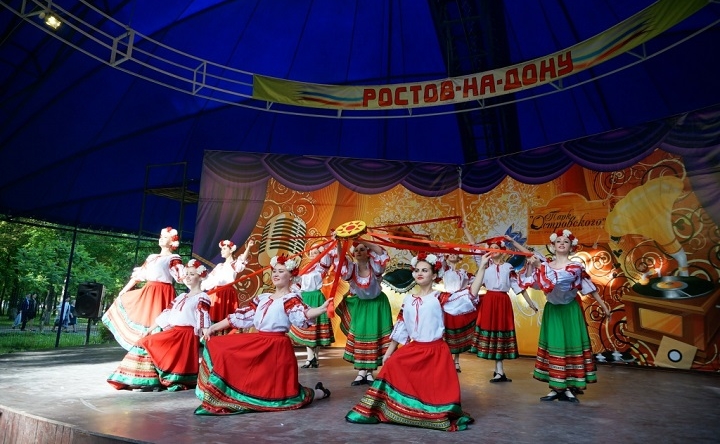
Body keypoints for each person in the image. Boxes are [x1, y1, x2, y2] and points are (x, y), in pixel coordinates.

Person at [345, 252, 484, 431]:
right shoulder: (408, 299)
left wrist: (482, 267)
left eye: (425, 270)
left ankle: (428, 413)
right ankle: (390, 410)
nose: (420, 273)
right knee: (391, 366)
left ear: (434, 275)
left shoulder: (440, 298)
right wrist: (389, 353)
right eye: (417, 270)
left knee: (433, 391)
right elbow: (401, 326)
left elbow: (469, 295)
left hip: (436, 351)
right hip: (415, 347)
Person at [194, 254, 331, 415]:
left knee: (282, 394)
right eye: (274, 271)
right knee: (222, 348)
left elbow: (304, 314)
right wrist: (213, 327)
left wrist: (321, 309)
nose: (276, 274)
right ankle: (231, 397)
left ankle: (319, 393)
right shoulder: (263, 298)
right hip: (259, 341)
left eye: (281, 271)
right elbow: (241, 317)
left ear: (291, 277)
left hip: (276, 347)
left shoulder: (291, 299)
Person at [524, 229, 611, 404]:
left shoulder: (575, 267)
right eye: (558, 241)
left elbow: (563, 281)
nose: (562, 243)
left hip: (570, 310)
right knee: (555, 346)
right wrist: (531, 266)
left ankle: (569, 387)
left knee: (570, 346)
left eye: (566, 241)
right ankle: (556, 387)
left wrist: (604, 307)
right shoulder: (546, 266)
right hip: (553, 311)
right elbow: (532, 283)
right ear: (553, 246)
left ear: (571, 247)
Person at [108, 259, 212, 392]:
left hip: (186, 336)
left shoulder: (202, 297)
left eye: (192, 274)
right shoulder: (182, 296)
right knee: (145, 342)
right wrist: (149, 330)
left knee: (148, 344)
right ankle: (143, 379)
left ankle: (151, 380)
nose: (188, 277)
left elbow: (203, 317)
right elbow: (166, 314)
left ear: (200, 276)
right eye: (186, 274)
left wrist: (207, 334)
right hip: (175, 332)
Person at [465, 226, 538, 383]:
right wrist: (465, 228)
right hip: (489, 301)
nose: (493, 250)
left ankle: (500, 371)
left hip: (503, 302)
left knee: (501, 334)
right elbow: (473, 246)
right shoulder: (485, 265)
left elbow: (518, 287)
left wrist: (530, 303)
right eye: (490, 248)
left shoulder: (508, 267)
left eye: (496, 248)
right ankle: (499, 370)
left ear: (503, 251)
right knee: (492, 333)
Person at [102, 227, 184, 350]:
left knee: (158, 319)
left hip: (162, 293)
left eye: (165, 237)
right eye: (161, 236)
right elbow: (139, 275)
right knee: (145, 316)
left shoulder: (173, 258)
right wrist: (123, 290)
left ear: (172, 241)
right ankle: (142, 348)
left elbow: (181, 277)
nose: (161, 239)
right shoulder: (152, 257)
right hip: (149, 290)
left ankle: (156, 350)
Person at [331, 239, 393, 386]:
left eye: (362, 249)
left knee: (374, 335)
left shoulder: (375, 267)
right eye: (357, 250)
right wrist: (338, 243)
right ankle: (361, 372)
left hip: (377, 305)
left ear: (368, 252)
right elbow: (341, 260)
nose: (359, 252)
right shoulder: (351, 268)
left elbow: (380, 251)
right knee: (361, 335)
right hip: (361, 305)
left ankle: (370, 372)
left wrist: (362, 240)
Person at [288, 241, 334, 368]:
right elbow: (297, 284)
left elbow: (326, 260)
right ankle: (310, 358)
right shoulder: (306, 269)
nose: (314, 255)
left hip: (316, 298)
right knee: (308, 328)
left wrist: (324, 249)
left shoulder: (321, 267)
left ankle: (315, 358)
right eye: (312, 253)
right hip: (305, 297)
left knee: (316, 330)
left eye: (316, 252)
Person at [201, 239, 254, 324]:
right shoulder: (219, 266)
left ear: (231, 250)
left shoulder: (234, 264)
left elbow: (242, 260)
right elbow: (210, 278)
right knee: (212, 316)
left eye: (224, 249)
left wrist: (248, 247)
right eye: (221, 249)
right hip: (216, 292)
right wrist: (201, 287)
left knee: (226, 317)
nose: (222, 251)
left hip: (227, 293)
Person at [441, 249, 476, 372]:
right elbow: (440, 259)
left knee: (457, 331)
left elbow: (475, 281)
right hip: (447, 301)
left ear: (459, 258)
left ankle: (456, 361)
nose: (452, 255)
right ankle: (447, 360)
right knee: (447, 331)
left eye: (455, 254)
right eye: (450, 253)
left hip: (459, 302)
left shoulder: (463, 273)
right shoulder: (444, 270)